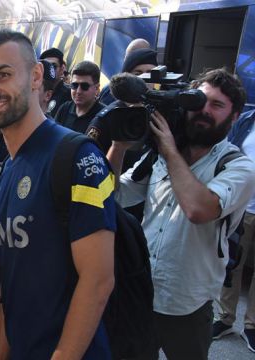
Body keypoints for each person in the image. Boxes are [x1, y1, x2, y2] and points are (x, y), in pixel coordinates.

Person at [0, 28, 116, 359]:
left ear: (36, 75)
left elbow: (98, 281)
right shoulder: (7, 169)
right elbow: (11, 284)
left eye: (3, 74)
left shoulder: (78, 156)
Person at [108, 68, 255, 359]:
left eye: (217, 105)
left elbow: (198, 209)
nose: (204, 111)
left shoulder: (238, 166)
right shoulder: (159, 155)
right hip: (142, 292)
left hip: (188, 304)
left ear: (235, 116)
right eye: (199, 101)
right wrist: (118, 146)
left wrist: (169, 150)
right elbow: (115, 194)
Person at [214, 108, 255, 352]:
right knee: (232, 263)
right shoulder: (247, 119)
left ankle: (252, 325)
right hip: (242, 206)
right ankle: (225, 318)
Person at [54, 60, 104, 134]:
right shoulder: (64, 109)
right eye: (74, 85)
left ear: (96, 88)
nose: (78, 91)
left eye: (84, 86)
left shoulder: (105, 117)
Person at [39, 47, 71, 117]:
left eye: (53, 66)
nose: (50, 69)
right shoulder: (35, 91)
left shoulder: (70, 95)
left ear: (62, 69)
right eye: (46, 66)